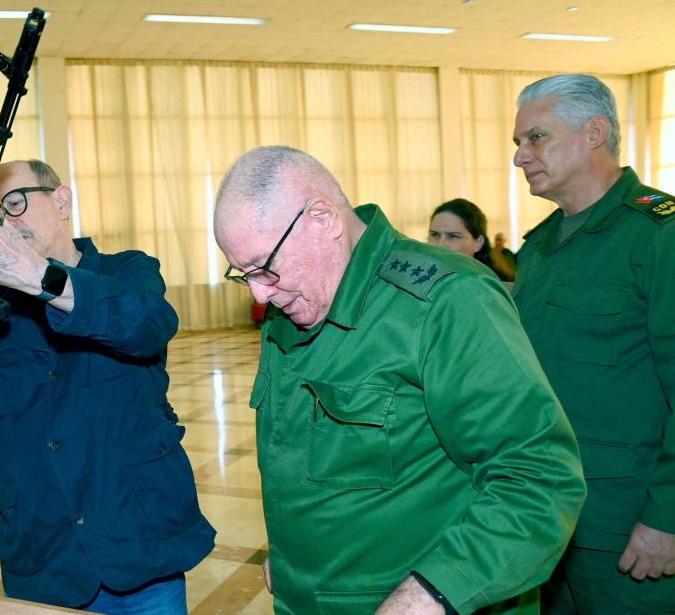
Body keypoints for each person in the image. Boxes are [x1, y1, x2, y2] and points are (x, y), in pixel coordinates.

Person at [213, 145, 586, 614]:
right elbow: (305, 460)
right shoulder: (293, 305)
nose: (260, 293)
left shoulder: (448, 301)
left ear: (323, 219)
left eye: (265, 267)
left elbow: (539, 478)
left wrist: (434, 593)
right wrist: (291, 550)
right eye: (243, 273)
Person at [0, 160, 215, 613]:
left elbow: (148, 325)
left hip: (137, 544)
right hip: (43, 556)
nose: (6, 220)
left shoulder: (127, 271)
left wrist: (40, 277)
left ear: (61, 201)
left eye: (15, 203)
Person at [512, 74, 675, 613]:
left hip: (630, 530)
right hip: (548, 518)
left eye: (535, 138)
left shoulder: (659, 235)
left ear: (594, 133)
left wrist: (667, 519)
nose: (520, 157)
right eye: (518, 142)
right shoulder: (538, 249)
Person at [427, 198, 516, 281]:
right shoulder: (419, 278)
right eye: (434, 235)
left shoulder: (491, 286)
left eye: (453, 236)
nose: (440, 245)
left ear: (478, 243)